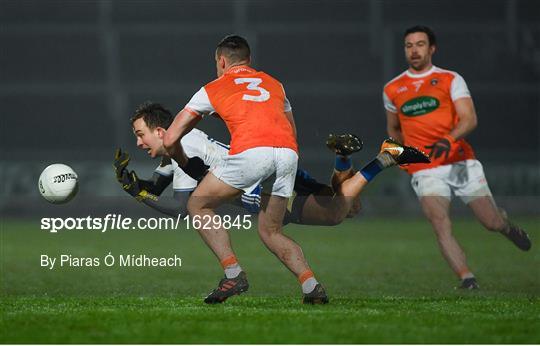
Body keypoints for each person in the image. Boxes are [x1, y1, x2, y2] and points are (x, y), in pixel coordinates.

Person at [382, 25, 531, 289]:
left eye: (419, 44)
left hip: (460, 161)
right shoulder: (393, 88)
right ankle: (466, 277)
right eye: (408, 45)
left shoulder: (450, 79)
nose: (414, 50)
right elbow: (394, 129)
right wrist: (404, 156)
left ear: (432, 48)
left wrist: (448, 140)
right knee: (439, 223)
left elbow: (469, 118)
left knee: (490, 222)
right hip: (424, 168)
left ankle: (507, 227)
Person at [114, 102, 429, 226]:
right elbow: (156, 186)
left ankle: (386, 157)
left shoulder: (183, 146)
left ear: (160, 131)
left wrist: (138, 197)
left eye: (141, 135)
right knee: (346, 204)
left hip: (266, 186)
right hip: (273, 169)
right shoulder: (178, 146)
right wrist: (135, 183)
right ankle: (343, 157)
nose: (139, 143)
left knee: (337, 212)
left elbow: (181, 208)